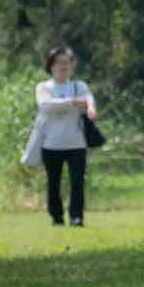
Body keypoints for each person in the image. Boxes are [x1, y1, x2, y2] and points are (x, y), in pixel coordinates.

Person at [26, 46, 101, 226]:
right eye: (59, 62)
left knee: (77, 182)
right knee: (53, 182)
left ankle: (76, 217)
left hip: (76, 144)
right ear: (51, 65)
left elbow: (88, 99)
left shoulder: (79, 86)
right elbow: (46, 105)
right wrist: (72, 102)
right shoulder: (43, 87)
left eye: (67, 62)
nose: (63, 66)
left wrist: (91, 108)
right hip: (51, 144)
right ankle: (56, 216)